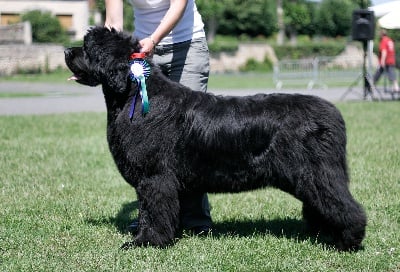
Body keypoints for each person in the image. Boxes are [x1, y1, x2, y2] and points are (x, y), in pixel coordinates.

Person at [105, 0, 212, 234]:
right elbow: (113, 24)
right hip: (142, 54)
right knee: (149, 143)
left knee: (188, 137)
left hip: (187, 47)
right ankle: (152, 218)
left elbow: (178, 6)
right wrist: (103, 61)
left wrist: (153, 39)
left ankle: (195, 218)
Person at [373, 29, 399, 93]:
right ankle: (396, 87)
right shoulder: (389, 40)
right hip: (391, 59)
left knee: (378, 73)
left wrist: (382, 61)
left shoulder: (383, 40)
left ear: (381, 34)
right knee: (392, 74)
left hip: (386, 60)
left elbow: (384, 51)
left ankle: (371, 86)